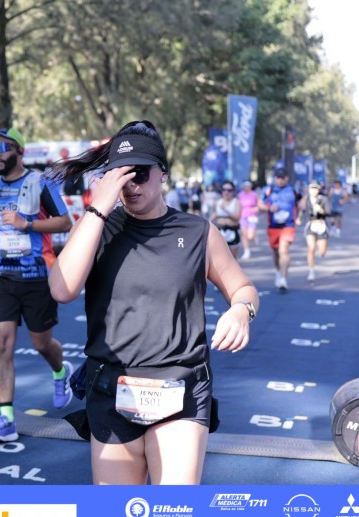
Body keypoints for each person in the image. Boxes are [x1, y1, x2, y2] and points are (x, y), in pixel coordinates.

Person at [48, 120, 259, 485]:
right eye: (121, 175)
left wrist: (242, 311)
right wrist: (97, 209)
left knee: (173, 511)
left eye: (140, 174)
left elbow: (243, 288)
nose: (131, 185)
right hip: (112, 388)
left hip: (180, 387)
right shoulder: (96, 228)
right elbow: (61, 289)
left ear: (162, 173)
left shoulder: (198, 232)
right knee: (118, 515)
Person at [0, 126, 74, 443]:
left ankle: (60, 371)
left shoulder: (40, 183)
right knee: (1, 344)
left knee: (42, 344)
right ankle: (6, 420)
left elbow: (65, 222)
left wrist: (26, 224)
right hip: (1, 276)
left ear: (20, 152)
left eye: (3, 148)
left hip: (37, 274)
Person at [261, 168, 302, 292]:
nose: (280, 180)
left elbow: (302, 203)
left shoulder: (294, 190)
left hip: (288, 225)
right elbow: (259, 204)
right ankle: (278, 271)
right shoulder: (268, 190)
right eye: (278, 177)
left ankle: (283, 279)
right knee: (276, 251)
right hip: (273, 226)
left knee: (283, 250)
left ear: (287, 178)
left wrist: (299, 217)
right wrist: (268, 208)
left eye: (282, 177)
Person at [302, 181, 330, 282]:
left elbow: (328, 212)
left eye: (315, 188)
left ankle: (321, 251)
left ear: (318, 190)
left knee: (322, 252)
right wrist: (299, 218)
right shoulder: (306, 199)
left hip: (321, 225)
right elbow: (302, 210)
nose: (313, 190)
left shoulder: (323, 199)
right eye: (311, 188)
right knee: (311, 248)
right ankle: (311, 271)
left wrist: (321, 210)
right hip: (311, 225)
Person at [210, 181, 241, 258]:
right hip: (220, 232)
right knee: (220, 258)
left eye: (229, 190)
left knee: (232, 259)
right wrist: (207, 222)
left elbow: (237, 218)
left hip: (232, 232)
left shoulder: (236, 202)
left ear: (233, 191)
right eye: (224, 190)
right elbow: (215, 214)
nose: (226, 192)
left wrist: (226, 210)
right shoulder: (218, 202)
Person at [237, 180, 260, 260]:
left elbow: (259, 204)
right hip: (243, 216)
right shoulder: (240, 195)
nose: (246, 187)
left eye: (248, 185)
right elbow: (238, 205)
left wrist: (257, 208)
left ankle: (254, 235)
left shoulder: (254, 194)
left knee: (250, 236)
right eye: (245, 185)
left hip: (252, 216)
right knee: (244, 234)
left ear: (250, 186)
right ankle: (246, 251)